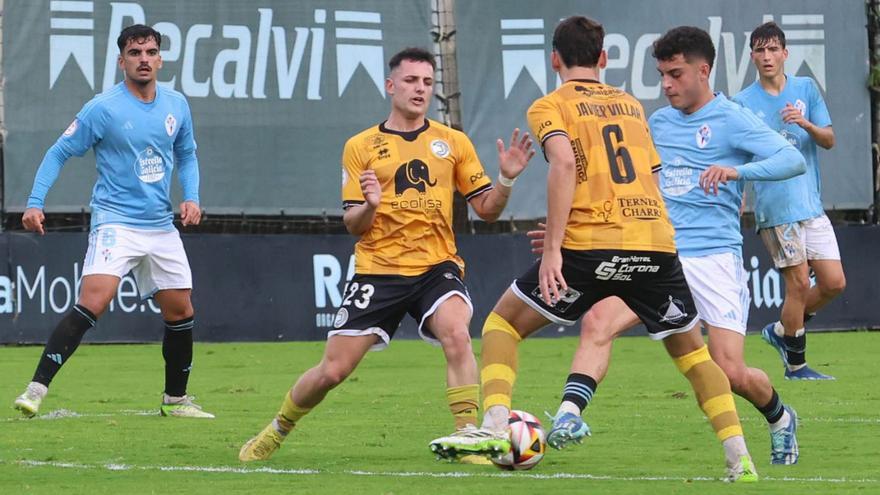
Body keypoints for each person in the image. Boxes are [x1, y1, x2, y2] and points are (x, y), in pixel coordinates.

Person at [429, 17, 758, 482]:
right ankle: (739, 457)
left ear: (554, 60)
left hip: (590, 247)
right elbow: (656, 178)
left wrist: (554, 249)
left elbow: (563, 162)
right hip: (656, 245)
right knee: (693, 357)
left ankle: (494, 424)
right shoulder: (630, 105)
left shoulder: (550, 105)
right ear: (603, 59)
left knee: (501, 323)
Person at [238, 47, 535, 463]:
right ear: (390, 85)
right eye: (412, 81)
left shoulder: (452, 143)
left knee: (456, 330)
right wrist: (371, 206)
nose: (421, 90)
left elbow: (487, 210)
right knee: (334, 371)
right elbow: (353, 224)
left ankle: (467, 432)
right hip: (378, 271)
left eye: (428, 83)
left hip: (436, 265)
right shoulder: (361, 146)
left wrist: (505, 178)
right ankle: (278, 428)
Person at [538, 25, 807, 467]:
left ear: (703, 71)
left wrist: (736, 173)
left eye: (676, 74)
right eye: (662, 74)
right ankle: (569, 414)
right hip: (659, 251)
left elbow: (791, 158)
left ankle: (780, 417)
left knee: (729, 371)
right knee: (597, 322)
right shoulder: (655, 122)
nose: (666, 85)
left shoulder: (733, 117)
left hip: (714, 256)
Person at [12, 25, 212, 419]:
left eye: (151, 51)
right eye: (135, 52)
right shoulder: (102, 108)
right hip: (116, 223)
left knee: (180, 311)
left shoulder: (176, 104)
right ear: (121, 61)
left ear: (160, 59)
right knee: (94, 301)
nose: (144, 59)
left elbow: (187, 155)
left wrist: (191, 197)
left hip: (160, 226)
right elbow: (58, 152)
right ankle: (35, 390)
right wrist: (35, 202)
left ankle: (175, 401)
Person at [733, 21, 843, 381]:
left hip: (810, 204)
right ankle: (797, 366)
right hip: (775, 209)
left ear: (785, 53)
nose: (767, 57)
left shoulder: (806, 89)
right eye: (759, 51)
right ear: (752, 57)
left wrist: (805, 124)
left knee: (833, 283)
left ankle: (782, 330)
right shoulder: (742, 104)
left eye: (772, 49)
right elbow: (738, 160)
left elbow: (828, 140)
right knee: (797, 284)